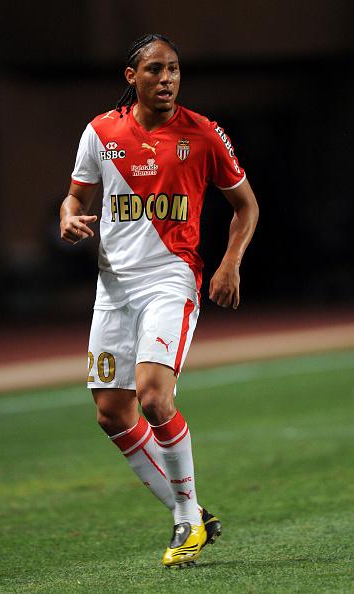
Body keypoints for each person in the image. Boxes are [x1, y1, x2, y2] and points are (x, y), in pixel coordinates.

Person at [60, 33, 259, 568]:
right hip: (113, 287)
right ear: (133, 77)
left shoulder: (203, 133)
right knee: (111, 412)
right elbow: (77, 194)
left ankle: (186, 519)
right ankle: (194, 514)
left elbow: (246, 206)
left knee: (152, 396)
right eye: (154, 70)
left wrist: (229, 262)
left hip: (171, 280)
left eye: (173, 69)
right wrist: (67, 215)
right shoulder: (101, 132)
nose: (166, 79)